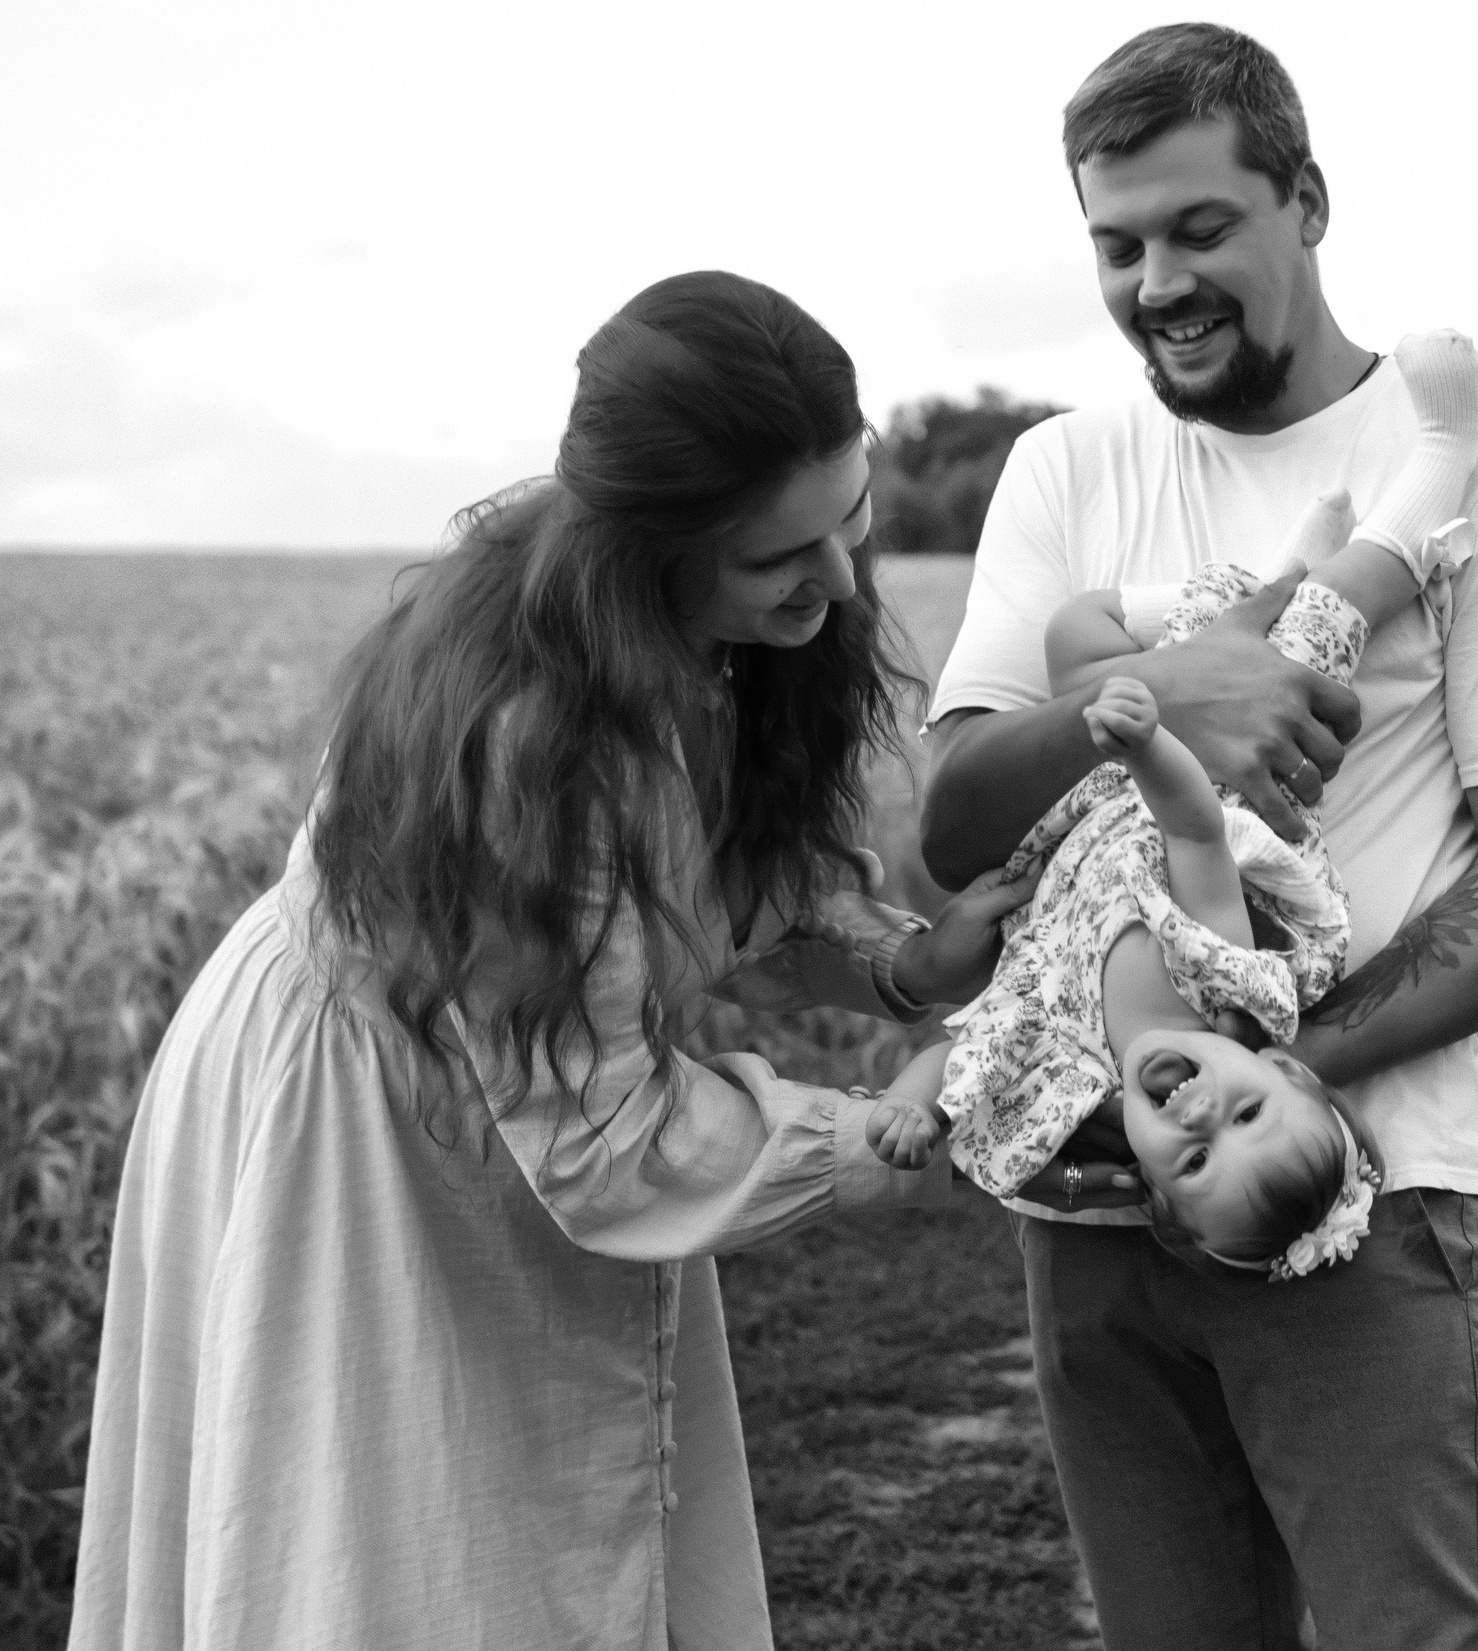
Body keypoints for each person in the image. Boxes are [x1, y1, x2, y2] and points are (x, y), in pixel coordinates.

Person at [69, 271, 1028, 1651]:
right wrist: (880, 1136)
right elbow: (607, 1147)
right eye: (781, 557)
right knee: (407, 1553)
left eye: (854, 522)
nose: (834, 582)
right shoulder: (541, 732)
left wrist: (909, 965)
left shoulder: (701, 642)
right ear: (650, 551)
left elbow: (708, 903)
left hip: (504, 1081)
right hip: (362, 1114)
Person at [921, 25, 1478, 1651]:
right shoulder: (1066, 469)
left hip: (1365, 1199)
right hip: (1095, 1217)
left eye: (1199, 229)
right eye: (1116, 244)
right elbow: (954, 825)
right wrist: (1168, 682)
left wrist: (1268, 1073)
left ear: (1306, 202)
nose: (1155, 280)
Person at [867, 330, 1478, 1281]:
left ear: (1152, 1190)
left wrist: (917, 1108)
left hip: (1094, 779)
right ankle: (1437, 461)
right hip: (1218, 759)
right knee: (1333, 610)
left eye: (1194, 1157)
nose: (1201, 1114)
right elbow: (1197, 828)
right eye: (1248, 1112)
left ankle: (1249, 591)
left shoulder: (1071, 1065)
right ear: (1283, 1068)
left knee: (1073, 631)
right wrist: (1156, 734)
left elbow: (972, 1046)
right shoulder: (1226, 992)